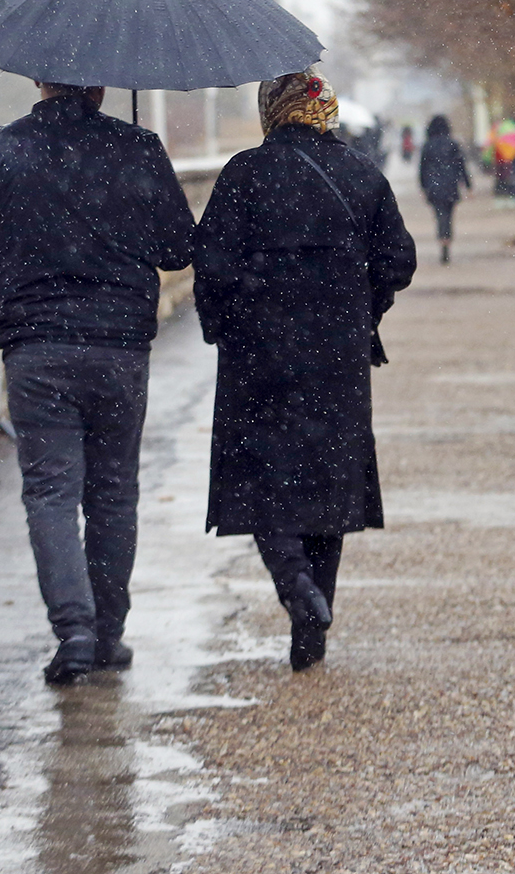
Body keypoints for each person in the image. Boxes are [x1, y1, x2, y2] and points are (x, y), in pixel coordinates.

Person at [0, 82, 196, 685]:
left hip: (37, 350)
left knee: (51, 493)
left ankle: (73, 630)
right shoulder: (138, 149)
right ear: (101, 84)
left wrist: (3, 310)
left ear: (37, 80)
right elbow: (179, 248)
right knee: (113, 493)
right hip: (119, 349)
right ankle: (108, 633)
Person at [192, 70, 417, 672]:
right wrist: (358, 308)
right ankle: (310, 633)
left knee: (265, 477)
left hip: (258, 357)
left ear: (272, 110)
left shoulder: (243, 174)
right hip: (337, 360)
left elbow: (210, 267)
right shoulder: (362, 175)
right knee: (329, 489)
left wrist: (226, 325)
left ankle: (296, 588)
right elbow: (398, 261)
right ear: (326, 111)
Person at [417, 113, 474, 264]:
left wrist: (423, 187)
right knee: (448, 215)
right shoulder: (453, 144)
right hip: (450, 185)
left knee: (439, 215)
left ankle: (442, 239)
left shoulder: (427, 145)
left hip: (433, 186)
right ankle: (447, 240)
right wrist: (468, 185)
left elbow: (422, 169)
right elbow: (461, 166)